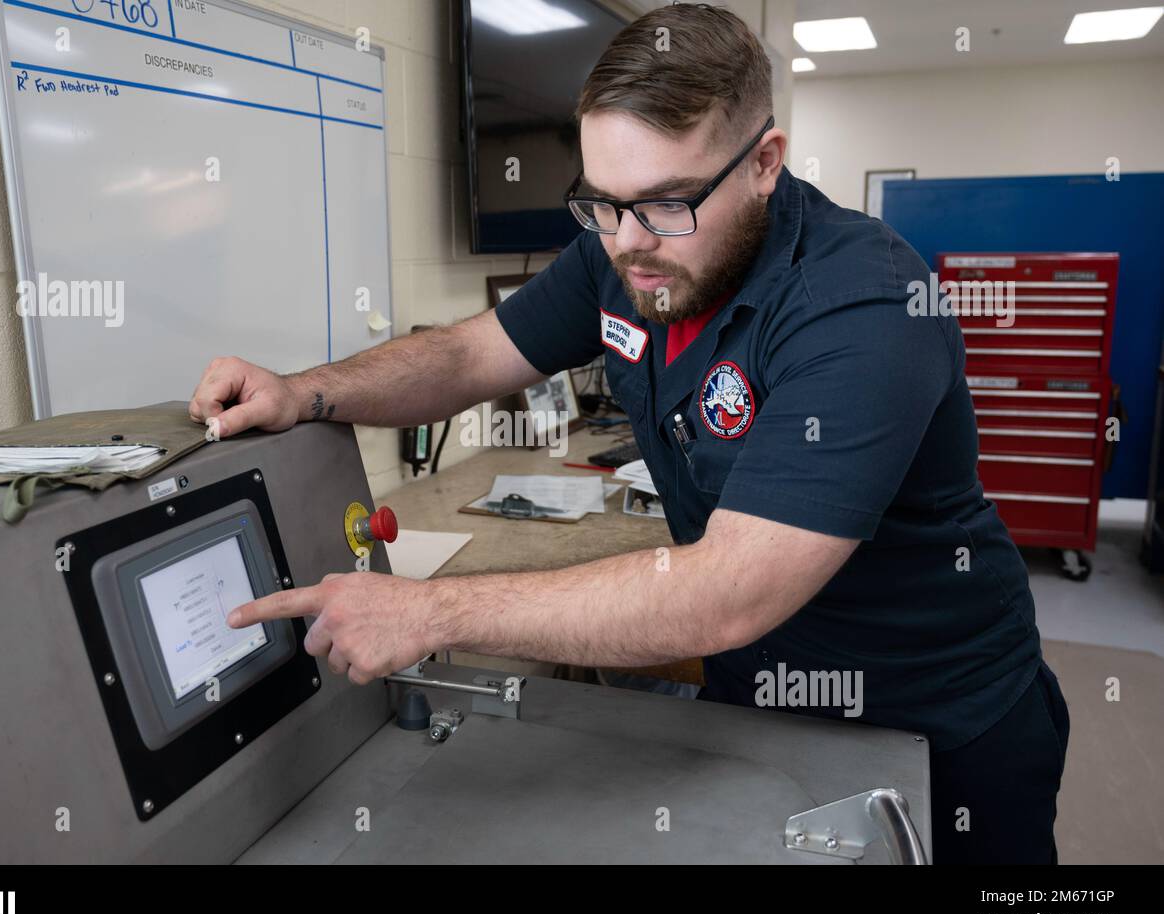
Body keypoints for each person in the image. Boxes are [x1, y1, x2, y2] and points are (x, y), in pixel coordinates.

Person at [189, 5, 1069, 864]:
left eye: (665, 203)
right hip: (756, 699)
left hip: (937, 713)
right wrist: (305, 392)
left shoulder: (863, 301)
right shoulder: (624, 248)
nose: (628, 241)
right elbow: (469, 355)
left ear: (764, 164)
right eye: (602, 203)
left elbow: (730, 591)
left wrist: (428, 609)